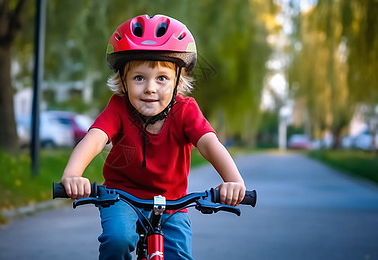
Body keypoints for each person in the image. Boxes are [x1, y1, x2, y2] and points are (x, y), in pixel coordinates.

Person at [60, 14, 246, 260]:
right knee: (118, 240)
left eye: (162, 78)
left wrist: (233, 180)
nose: (150, 87)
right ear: (123, 82)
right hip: (121, 197)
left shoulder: (186, 110)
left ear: (178, 82)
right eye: (139, 78)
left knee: (179, 255)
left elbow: (210, 144)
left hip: (173, 204)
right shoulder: (119, 107)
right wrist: (72, 174)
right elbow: (95, 139)